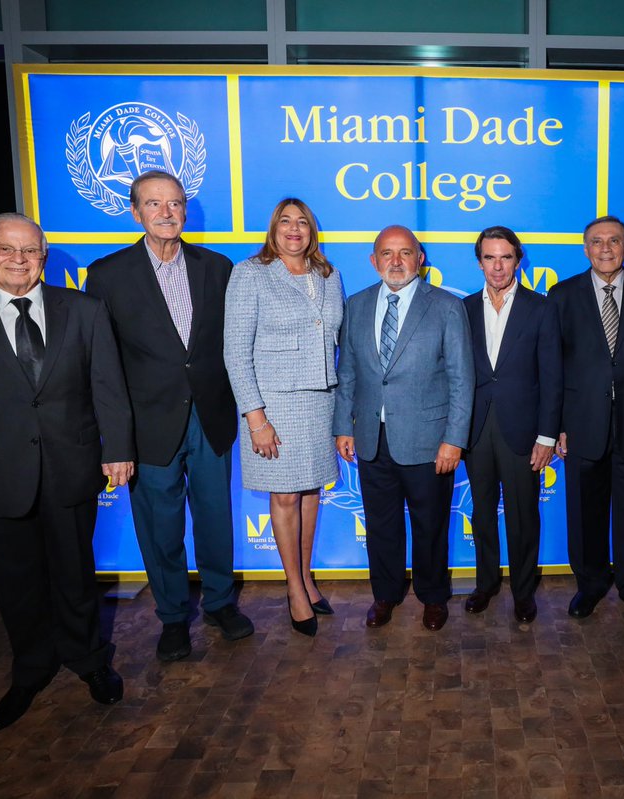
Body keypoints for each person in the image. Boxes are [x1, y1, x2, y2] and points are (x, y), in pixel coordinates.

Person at [0, 213, 133, 731]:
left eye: (31, 250)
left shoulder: (84, 310)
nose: (20, 260)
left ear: (44, 256)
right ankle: (31, 670)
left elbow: (108, 387)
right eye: (8, 250)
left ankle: (89, 661)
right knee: (16, 584)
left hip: (71, 467)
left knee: (75, 575)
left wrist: (118, 447)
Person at [86, 170, 253, 662]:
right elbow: (102, 363)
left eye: (175, 203)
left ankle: (221, 604)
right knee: (160, 528)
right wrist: (115, 436)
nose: (167, 212)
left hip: (210, 415)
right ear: (135, 212)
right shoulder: (108, 275)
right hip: (148, 423)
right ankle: (174, 617)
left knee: (215, 520)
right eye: (154, 204)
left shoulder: (217, 267)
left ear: (186, 211)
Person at [333, 225, 475, 631]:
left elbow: (461, 379)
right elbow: (349, 374)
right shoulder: (356, 305)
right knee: (381, 524)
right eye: (387, 253)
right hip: (371, 440)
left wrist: (454, 439)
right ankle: (385, 595)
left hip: (430, 443)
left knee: (430, 525)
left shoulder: (447, 306)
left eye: (405, 253)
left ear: (421, 259)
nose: (396, 261)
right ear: (373, 260)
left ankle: (433, 596)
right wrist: (344, 426)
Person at [224, 198, 344, 637]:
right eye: (286, 222)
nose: (295, 230)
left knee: (311, 492)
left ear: (313, 231)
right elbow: (235, 352)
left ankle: (307, 578)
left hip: (320, 403)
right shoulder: (251, 273)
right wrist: (256, 418)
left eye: (303, 223)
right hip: (274, 406)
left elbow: (337, 342)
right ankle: (294, 589)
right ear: (273, 229)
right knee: (287, 497)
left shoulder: (330, 276)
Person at [548, 215, 624, 623]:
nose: (605, 248)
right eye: (597, 241)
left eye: (614, 241)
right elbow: (555, 368)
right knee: (585, 513)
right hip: (582, 423)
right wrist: (557, 426)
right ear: (585, 249)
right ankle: (591, 585)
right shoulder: (562, 295)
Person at [461, 226, 562, 624]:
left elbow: (553, 377)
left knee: (523, 516)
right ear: (480, 261)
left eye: (506, 257)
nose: (498, 266)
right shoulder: (464, 308)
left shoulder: (541, 307)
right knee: (481, 513)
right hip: (475, 427)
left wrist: (547, 435)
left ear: (518, 260)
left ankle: (523, 592)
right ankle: (485, 584)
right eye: (490, 257)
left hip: (524, 431)